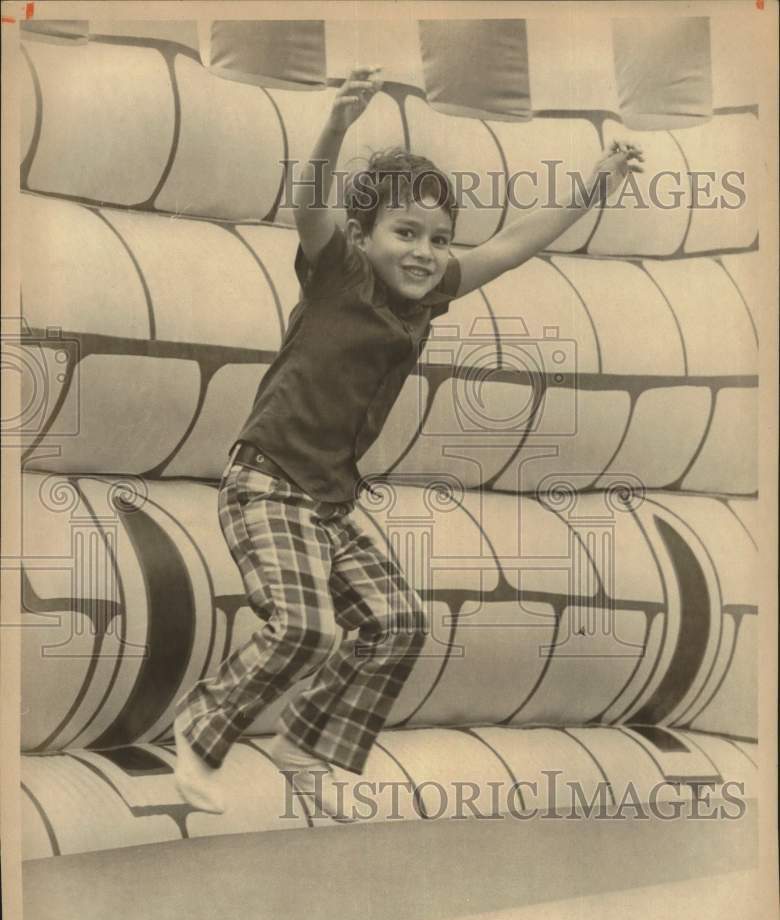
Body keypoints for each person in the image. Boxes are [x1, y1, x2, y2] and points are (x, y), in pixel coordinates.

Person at [173, 66, 642, 820]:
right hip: (267, 482)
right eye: (406, 234)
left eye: (439, 239)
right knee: (305, 628)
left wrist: (594, 185)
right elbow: (308, 203)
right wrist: (335, 125)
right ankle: (203, 727)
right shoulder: (339, 273)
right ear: (363, 238)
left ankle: (304, 741)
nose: (425, 252)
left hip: (328, 500)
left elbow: (515, 244)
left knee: (398, 622)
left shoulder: (429, 292)